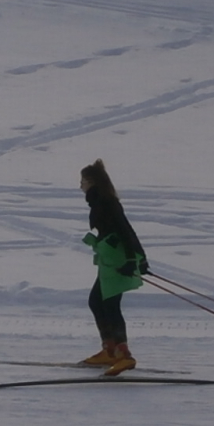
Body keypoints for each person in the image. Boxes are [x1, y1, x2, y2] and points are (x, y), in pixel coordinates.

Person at [78, 159, 149, 375]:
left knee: (109, 304)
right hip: (111, 260)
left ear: (91, 181)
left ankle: (124, 355)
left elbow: (126, 231)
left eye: (82, 181)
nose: (80, 185)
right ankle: (109, 350)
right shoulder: (100, 200)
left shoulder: (107, 202)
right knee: (97, 301)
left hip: (118, 260)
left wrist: (134, 260)